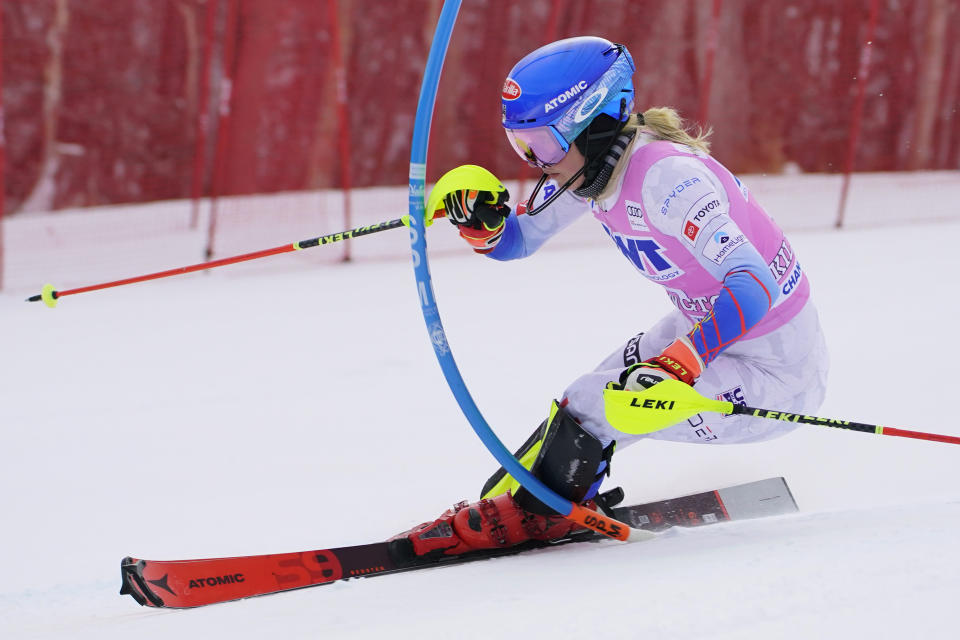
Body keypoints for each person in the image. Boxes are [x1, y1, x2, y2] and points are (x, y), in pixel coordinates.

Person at [388, 36, 828, 563]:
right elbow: (519, 240)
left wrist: (684, 360)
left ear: (596, 122)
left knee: (597, 404)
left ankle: (540, 513)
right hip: (710, 332)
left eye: (543, 146)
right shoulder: (593, 169)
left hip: (776, 376)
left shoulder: (669, 180)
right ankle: (519, 499)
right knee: (583, 400)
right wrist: (483, 223)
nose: (535, 163)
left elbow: (755, 285)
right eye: (520, 146)